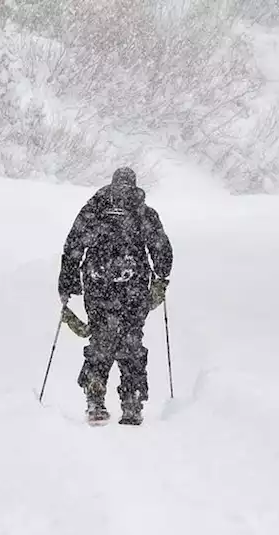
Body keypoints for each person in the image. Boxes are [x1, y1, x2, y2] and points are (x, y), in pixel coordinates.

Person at [58, 167, 173, 426]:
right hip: (133, 288)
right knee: (131, 341)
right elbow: (161, 248)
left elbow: (73, 245)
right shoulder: (143, 213)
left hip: (98, 286)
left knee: (101, 338)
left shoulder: (93, 210)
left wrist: (67, 282)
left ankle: (95, 398)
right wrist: (161, 275)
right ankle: (132, 402)